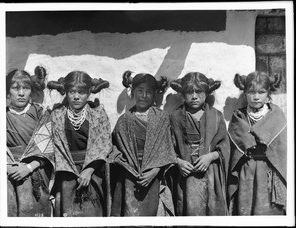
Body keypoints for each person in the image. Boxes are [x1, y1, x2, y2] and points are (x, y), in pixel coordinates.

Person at [108, 71, 177, 216]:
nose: (144, 96)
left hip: (154, 176)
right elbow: (115, 148)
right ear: (132, 92)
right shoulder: (124, 120)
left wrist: (155, 170)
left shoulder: (162, 118)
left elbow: (167, 147)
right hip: (128, 176)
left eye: (148, 92)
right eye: (140, 91)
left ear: (154, 95)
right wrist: (125, 164)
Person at [47, 71, 112, 217]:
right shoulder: (57, 115)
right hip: (66, 174)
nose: (76, 96)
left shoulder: (98, 114)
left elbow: (104, 144)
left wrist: (88, 170)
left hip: (92, 173)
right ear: (66, 92)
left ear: (89, 92)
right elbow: (53, 147)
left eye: (81, 92)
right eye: (72, 92)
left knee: (92, 213)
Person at [170, 72, 230, 216]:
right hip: (186, 174)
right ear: (183, 94)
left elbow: (224, 145)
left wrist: (210, 157)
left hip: (211, 174)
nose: (195, 96)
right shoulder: (175, 117)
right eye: (190, 92)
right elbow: (167, 146)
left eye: (199, 91)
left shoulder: (216, 116)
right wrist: (178, 162)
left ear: (207, 93)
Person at [227, 71, 287, 215]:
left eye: (261, 92)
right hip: (246, 169)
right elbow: (238, 140)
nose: (256, 96)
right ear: (245, 93)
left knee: (267, 210)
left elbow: (281, 148)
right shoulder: (239, 115)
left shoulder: (276, 114)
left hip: (269, 170)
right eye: (251, 92)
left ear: (268, 93)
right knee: (245, 206)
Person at [6, 66, 54, 217]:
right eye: (15, 88)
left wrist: (29, 167)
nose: (21, 93)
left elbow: (49, 147)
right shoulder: (3, 115)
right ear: (8, 92)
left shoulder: (41, 114)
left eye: (26, 88)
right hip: (8, 173)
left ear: (31, 90)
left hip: (36, 171)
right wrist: (8, 167)